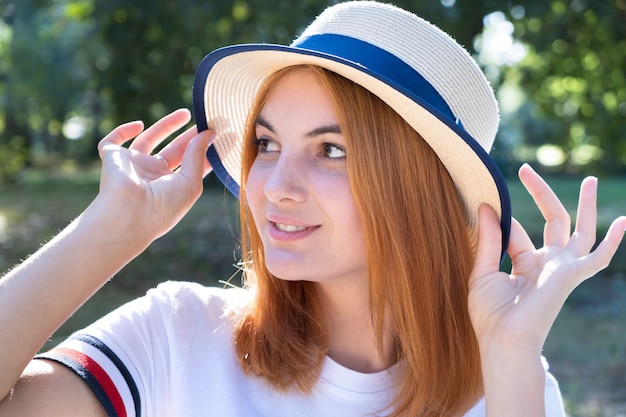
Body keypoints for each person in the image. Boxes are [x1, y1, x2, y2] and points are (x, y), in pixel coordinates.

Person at [0, 1, 624, 416]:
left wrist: (513, 357)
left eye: (330, 149)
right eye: (266, 144)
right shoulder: (178, 335)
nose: (274, 185)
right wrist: (107, 232)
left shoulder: (510, 380)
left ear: (419, 192)